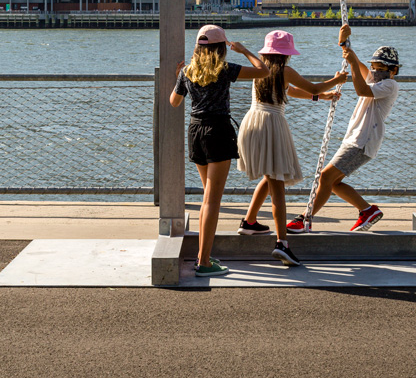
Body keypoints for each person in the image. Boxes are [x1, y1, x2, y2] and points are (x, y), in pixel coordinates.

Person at [236, 29, 347, 266]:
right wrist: (337, 80)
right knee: (277, 185)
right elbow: (313, 87)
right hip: (272, 125)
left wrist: (322, 98)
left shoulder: (260, 71)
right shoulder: (285, 71)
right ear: (286, 55)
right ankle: (282, 244)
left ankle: (249, 222)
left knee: (269, 175)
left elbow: (291, 91)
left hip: (252, 123)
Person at [169, 24, 268, 277]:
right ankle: (203, 263)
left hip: (195, 131)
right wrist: (244, 50)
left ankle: (204, 256)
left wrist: (178, 76)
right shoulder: (225, 70)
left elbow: (174, 101)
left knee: (207, 198)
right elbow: (264, 71)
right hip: (218, 131)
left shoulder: (188, 72)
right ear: (222, 48)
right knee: (212, 200)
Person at [287, 23, 399, 233]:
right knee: (334, 183)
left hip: (363, 141)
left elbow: (361, 89)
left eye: (381, 68)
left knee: (325, 178)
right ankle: (367, 211)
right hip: (355, 139)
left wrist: (353, 66)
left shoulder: (389, 85)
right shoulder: (375, 79)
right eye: (374, 67)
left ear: (393, 71)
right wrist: (344, 44)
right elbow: (355, 63)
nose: (375, 71)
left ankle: (305, 218)